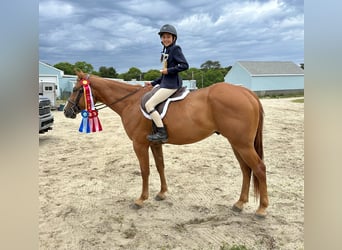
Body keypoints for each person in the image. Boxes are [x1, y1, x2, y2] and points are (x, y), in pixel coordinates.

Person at [144, 24, 189, 142]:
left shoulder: (175, 49)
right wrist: (153, 83)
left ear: (173, 38)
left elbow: (184, 65)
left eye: (168, 37)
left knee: (149, 105)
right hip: (166, 83)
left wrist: (168, 70)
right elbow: (164, 75)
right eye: (163, 37)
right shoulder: (166, 50)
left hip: (171, 85)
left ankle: (161, 133)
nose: (165, 39)